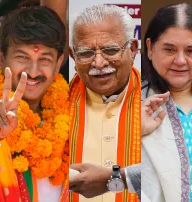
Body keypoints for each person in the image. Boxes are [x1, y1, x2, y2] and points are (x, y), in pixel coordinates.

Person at [141, 3, 192, 202]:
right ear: (149, 48)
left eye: (191, 51)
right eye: (170, 49)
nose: (180, 60)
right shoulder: (132, 106)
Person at [68, 4, 141, 202]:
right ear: (73, 56)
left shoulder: (156, 100)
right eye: (85, 53)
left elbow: (174, 171)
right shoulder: (55, 104)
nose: (98, 63)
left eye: (110, 50)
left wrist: (118, 177)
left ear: (133, 49)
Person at [0, 6, 69, 202]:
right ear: (1, 58)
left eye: (44, 59)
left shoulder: (74, 120)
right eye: (22, 57)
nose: (33, 71)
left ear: (59, 62)